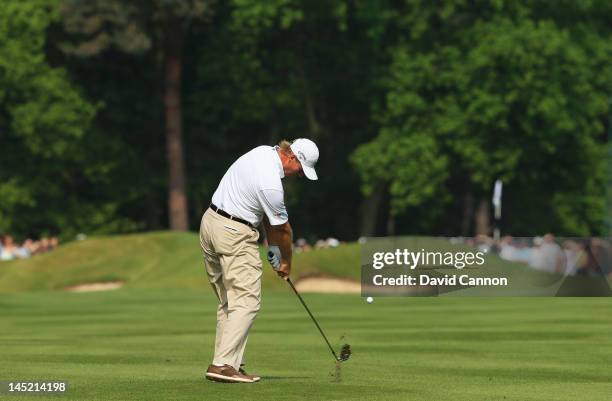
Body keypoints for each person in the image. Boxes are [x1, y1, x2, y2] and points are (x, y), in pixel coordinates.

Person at [199, 138, 319, 383]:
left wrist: (270, 246)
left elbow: (263, 212)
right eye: (300, 170)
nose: (299, 176)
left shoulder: (261, 152)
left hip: (210, 224)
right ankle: (221, 365)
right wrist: (286, 262)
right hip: (234, 233)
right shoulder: (272, 185)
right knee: (247, 300)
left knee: (229, 302)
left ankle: (228, 364)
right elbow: (283, 230)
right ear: (292, 158)